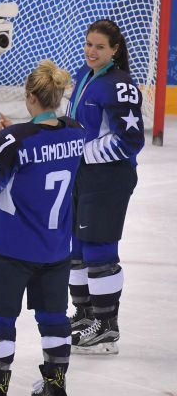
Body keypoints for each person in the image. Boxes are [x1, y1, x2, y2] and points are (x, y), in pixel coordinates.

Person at [0, 60, 85, 396]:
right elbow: (40, 147)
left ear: (30, 96)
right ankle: (54, 388)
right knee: (52, 316)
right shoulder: (76, 131)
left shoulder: (16, 139)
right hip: (56, 246)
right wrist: (9, 136)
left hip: (12, 246)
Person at [66, 20, 145, 355]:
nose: (91, 51)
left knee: (99, 252)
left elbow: (131, 140)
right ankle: (85, 315)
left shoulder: (120, 85)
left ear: (114, 49)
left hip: (108, 178)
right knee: (77, 250)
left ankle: (106, 325)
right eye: (88, 44)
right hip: (84, 176)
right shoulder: (84, 76)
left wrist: (81, 154)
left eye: (99, 46)